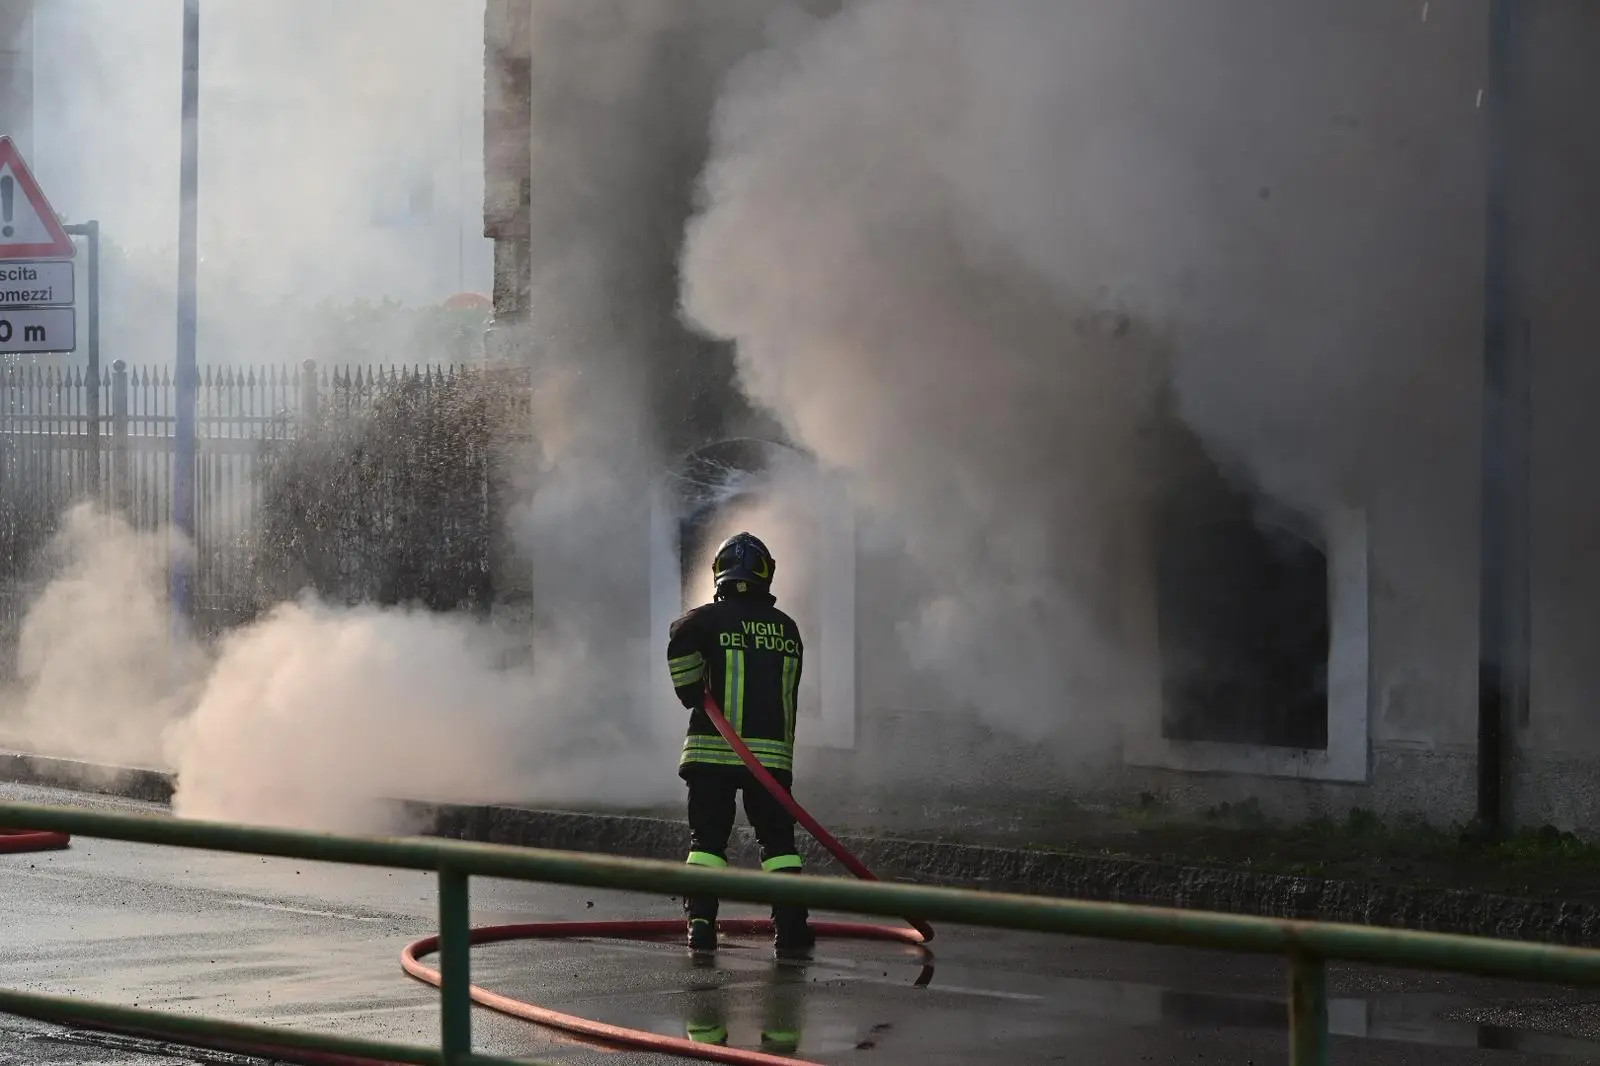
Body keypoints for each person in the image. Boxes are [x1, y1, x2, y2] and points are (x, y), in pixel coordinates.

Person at [666, 530, 815, 959]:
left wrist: (691, 689)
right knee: (779, 846)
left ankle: (699, 926)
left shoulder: (705, 621)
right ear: (766, 575)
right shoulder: (787, 628)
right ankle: (790, 928)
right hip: (770, 761)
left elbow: (679, 641)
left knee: (708, 844)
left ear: (718, 573)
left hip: (711, 753)